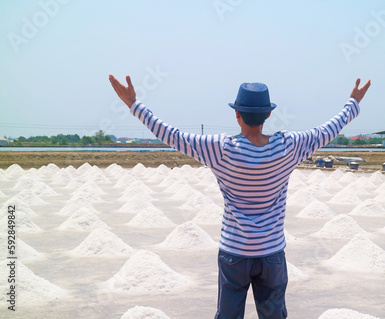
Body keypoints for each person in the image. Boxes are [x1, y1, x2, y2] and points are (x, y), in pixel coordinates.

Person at [109, 75, 371, 318]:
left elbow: (173, 136)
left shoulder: (220, 150)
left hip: (234, 253)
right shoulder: (290, 146)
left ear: (237, 114)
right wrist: (353, 103)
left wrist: (134, 105)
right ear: (269, 113)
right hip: (271, 254)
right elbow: (328, 129)